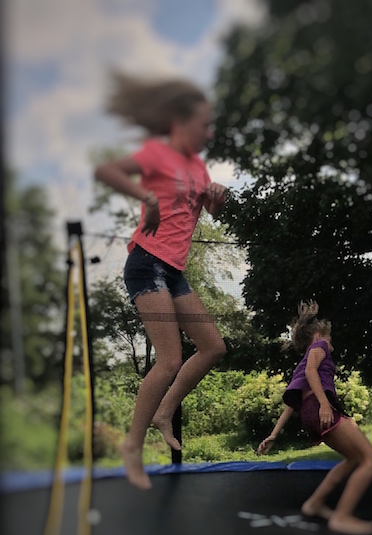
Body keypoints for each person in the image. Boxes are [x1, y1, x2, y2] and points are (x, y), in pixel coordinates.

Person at [94, 72, 227, 490]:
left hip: (173, 270)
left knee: (213, 347)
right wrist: (147, 199)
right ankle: (132, 447)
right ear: (179, 121)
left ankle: (164, 410)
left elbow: (203, 211)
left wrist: (215, 197)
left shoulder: (197, 165)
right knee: (169, 359)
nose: (209, 132)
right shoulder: (156, 154)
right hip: (146, 263)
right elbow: (107, 170)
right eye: (204, 124)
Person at [257, 301, 372, 535]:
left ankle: (314, 504)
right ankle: (342, 517)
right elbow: (311, 372)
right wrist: (325, 404)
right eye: (329, 339)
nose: (331, 345)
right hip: (320, 409)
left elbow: (293, 404)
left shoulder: (303, 363)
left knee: (353, 459)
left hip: (309, 413)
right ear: (318, 336)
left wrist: (273, 434)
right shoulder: (320, 346)